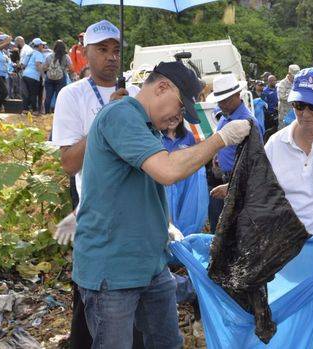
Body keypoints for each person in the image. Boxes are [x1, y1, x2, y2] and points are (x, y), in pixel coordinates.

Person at [73, 57, 251, 347]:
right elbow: (167, 170)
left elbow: (146, 186)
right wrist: (220, 139)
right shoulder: (120, 115)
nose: (178, 116)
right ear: (162, 87)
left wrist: (165, 223)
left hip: (151, 264)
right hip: (113, 269)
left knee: (167, 342)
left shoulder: (148, 128)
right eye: (180, 106)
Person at [212, 67, 313, 348]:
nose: (305, 114)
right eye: (299, 105)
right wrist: (235, 191)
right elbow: (262, 187)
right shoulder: (277, 143)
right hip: (287, 252)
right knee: (287, 319)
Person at [51, 19, 143, 349]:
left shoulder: (134, 94)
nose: (111, 57)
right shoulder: (71, 96)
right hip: (94, 210)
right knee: (92, 292)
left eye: (116, 50)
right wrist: (107, 121)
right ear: (85, 53)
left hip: (134, 209)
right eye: (102, 50)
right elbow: (69, 162)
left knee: (134, 292)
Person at [208, 74, 264, 232]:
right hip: (223, 178)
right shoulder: (225, 117)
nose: (222, 105)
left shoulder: (248, 122)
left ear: (238, 95)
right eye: (220, 101)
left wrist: (233, 186)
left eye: (226, 100)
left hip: (237, 182)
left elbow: (255, 162)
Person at [44, 40, 73, 113]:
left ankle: (47, 112)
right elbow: (71, 69)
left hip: (49, 78)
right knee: (59, 96)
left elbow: (44, 67)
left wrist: (50, 69)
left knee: (48, 96)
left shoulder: (50, 56)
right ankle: (57, 113)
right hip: (61, 78)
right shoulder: (66, 57)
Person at [22, 38, 47, 113]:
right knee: (33, 94)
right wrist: (43, 75)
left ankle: (25, 109)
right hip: (33, 76)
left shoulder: (30, 53)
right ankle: (35, 110)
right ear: (39, 45)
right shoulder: (38, 54)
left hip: (25, 75)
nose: (43, 46)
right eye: (42, 45)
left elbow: (23, 65)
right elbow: (38, 65)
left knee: (26, 94)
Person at [277, 64, 300, 129]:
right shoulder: (282, 83)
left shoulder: (298, 83)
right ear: (289, 74)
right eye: (293, 76)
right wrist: (294, 97)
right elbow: (282, 97)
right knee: (283, 133)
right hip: (284, 114)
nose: (295, 78)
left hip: (295, 114)